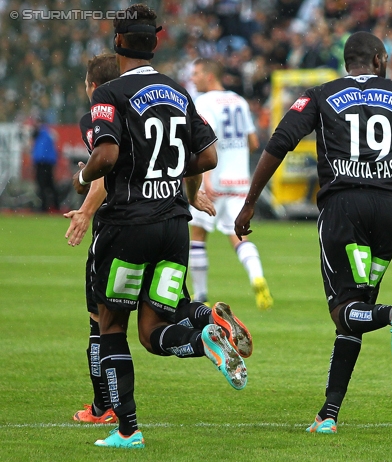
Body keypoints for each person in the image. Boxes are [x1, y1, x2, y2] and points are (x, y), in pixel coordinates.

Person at [235, 31, 392, 434]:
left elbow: (279, 142)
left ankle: (391, 314)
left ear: (347, 62)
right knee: (353, 315)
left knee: (344, 309)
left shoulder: (319, 94)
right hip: (389, 211)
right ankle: (328, 414)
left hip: (344, 207)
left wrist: (249, 202)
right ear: (381, 60)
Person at [72, 4, 247, 449]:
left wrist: (81, 177)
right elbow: (207, 156)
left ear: (118, 42)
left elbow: (107, 155)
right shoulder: (177, 91)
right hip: (174, 228)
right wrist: (183, 190)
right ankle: (202, 337)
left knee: (112, 326)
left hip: (128, 226)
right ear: (155, 43)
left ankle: (128, 430)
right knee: (153, 331)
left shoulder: (108, 94)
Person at [188, 58, 273, 310]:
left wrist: (205, 179)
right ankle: (257, 276)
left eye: (196, 74)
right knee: (239, 236)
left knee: (198, 235)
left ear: (210, 76)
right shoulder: (239, 101)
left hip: (212, 180)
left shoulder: (202, 103)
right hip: (239, 181)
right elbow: (253, 143)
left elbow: (205, 142)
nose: (193, 78)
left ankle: (200, 295)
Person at [65, 53, 120, 425]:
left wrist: (85, 210)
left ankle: (104, 407)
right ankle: (202, 327)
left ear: (93, 87)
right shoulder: (144, 106)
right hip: (161, 222)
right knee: (155, 325)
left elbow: (103, 167)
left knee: (100, 323)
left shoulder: (98, 117)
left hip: (115, 228)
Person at [31, 119, 60, 212]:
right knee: (49, 185)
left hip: (43, 163)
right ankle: (55, 205)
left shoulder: (42, 133)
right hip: (47, 163)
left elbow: (40, 152)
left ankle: (44, 206)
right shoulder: (47, 133)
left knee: (42, 185)